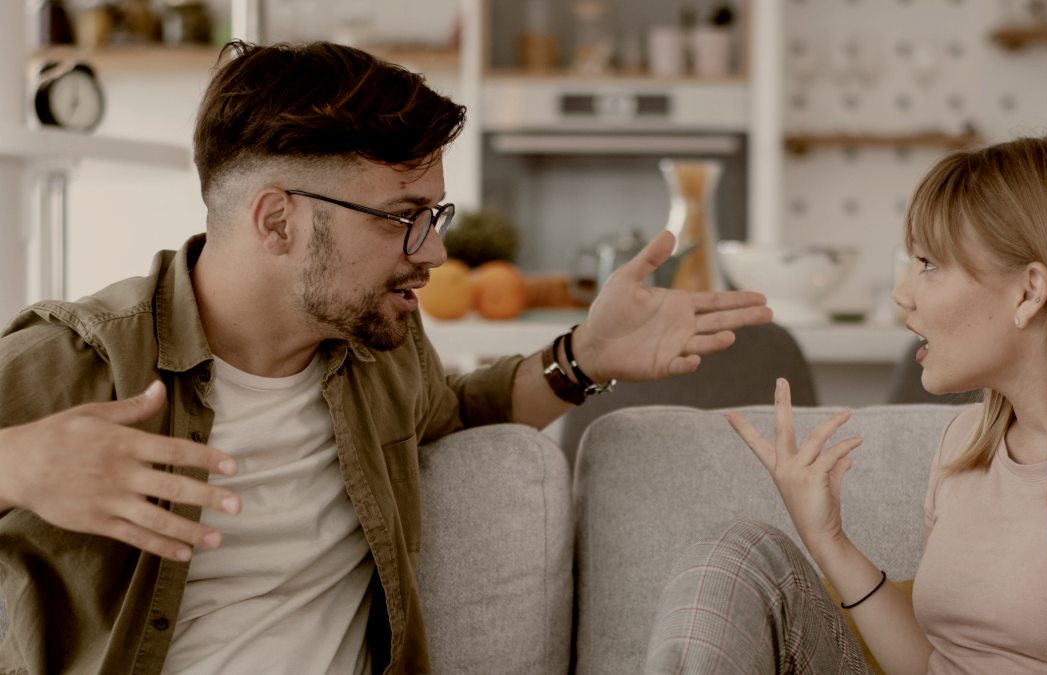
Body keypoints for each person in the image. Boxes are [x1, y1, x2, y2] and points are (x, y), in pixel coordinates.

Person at [0, 41, 771, 674]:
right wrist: (15, 465)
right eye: (402, 216)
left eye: (434, 215)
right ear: (277, 221)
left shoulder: (377, 355)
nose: (433, 250)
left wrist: (583, 355)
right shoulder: (79, 362)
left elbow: (462, 410)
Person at [644, 134, 1047, 673]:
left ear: (1029, 291)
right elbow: (934, 662)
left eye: (929, 264)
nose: (903, 293)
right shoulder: (965, 443)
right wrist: (828, 540)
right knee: (741, 554)